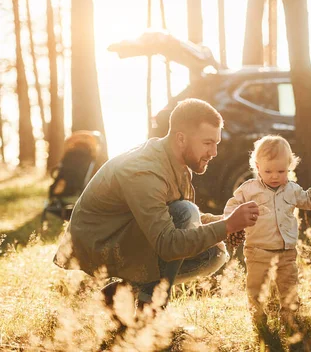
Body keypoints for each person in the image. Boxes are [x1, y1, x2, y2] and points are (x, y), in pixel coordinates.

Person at [54, 98, 260, 311]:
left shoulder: (178, 162)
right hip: (100, 241)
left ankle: (120, 293)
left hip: (131, 230)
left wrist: (226, 222)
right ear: (181, 138)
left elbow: (182, 220)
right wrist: (226, 226)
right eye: (208, 143)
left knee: (213, 254)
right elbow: (169, 242)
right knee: (185, 214)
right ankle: (151, 308)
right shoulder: (145, 170)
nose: (214, 152)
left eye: (216, 143)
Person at [224, 135, 311, 326]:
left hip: (286, 251)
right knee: (256, 286)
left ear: (290, 167)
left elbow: (310, 200)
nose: (274, 176)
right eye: (268, 171)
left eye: (281, 171)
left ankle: (289, 315)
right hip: (257, 250)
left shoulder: (292, 189)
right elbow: (232, 207)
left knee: (289, 284)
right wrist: (231, 223)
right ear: (257, 168)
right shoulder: (249, 190)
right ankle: (258, 315)